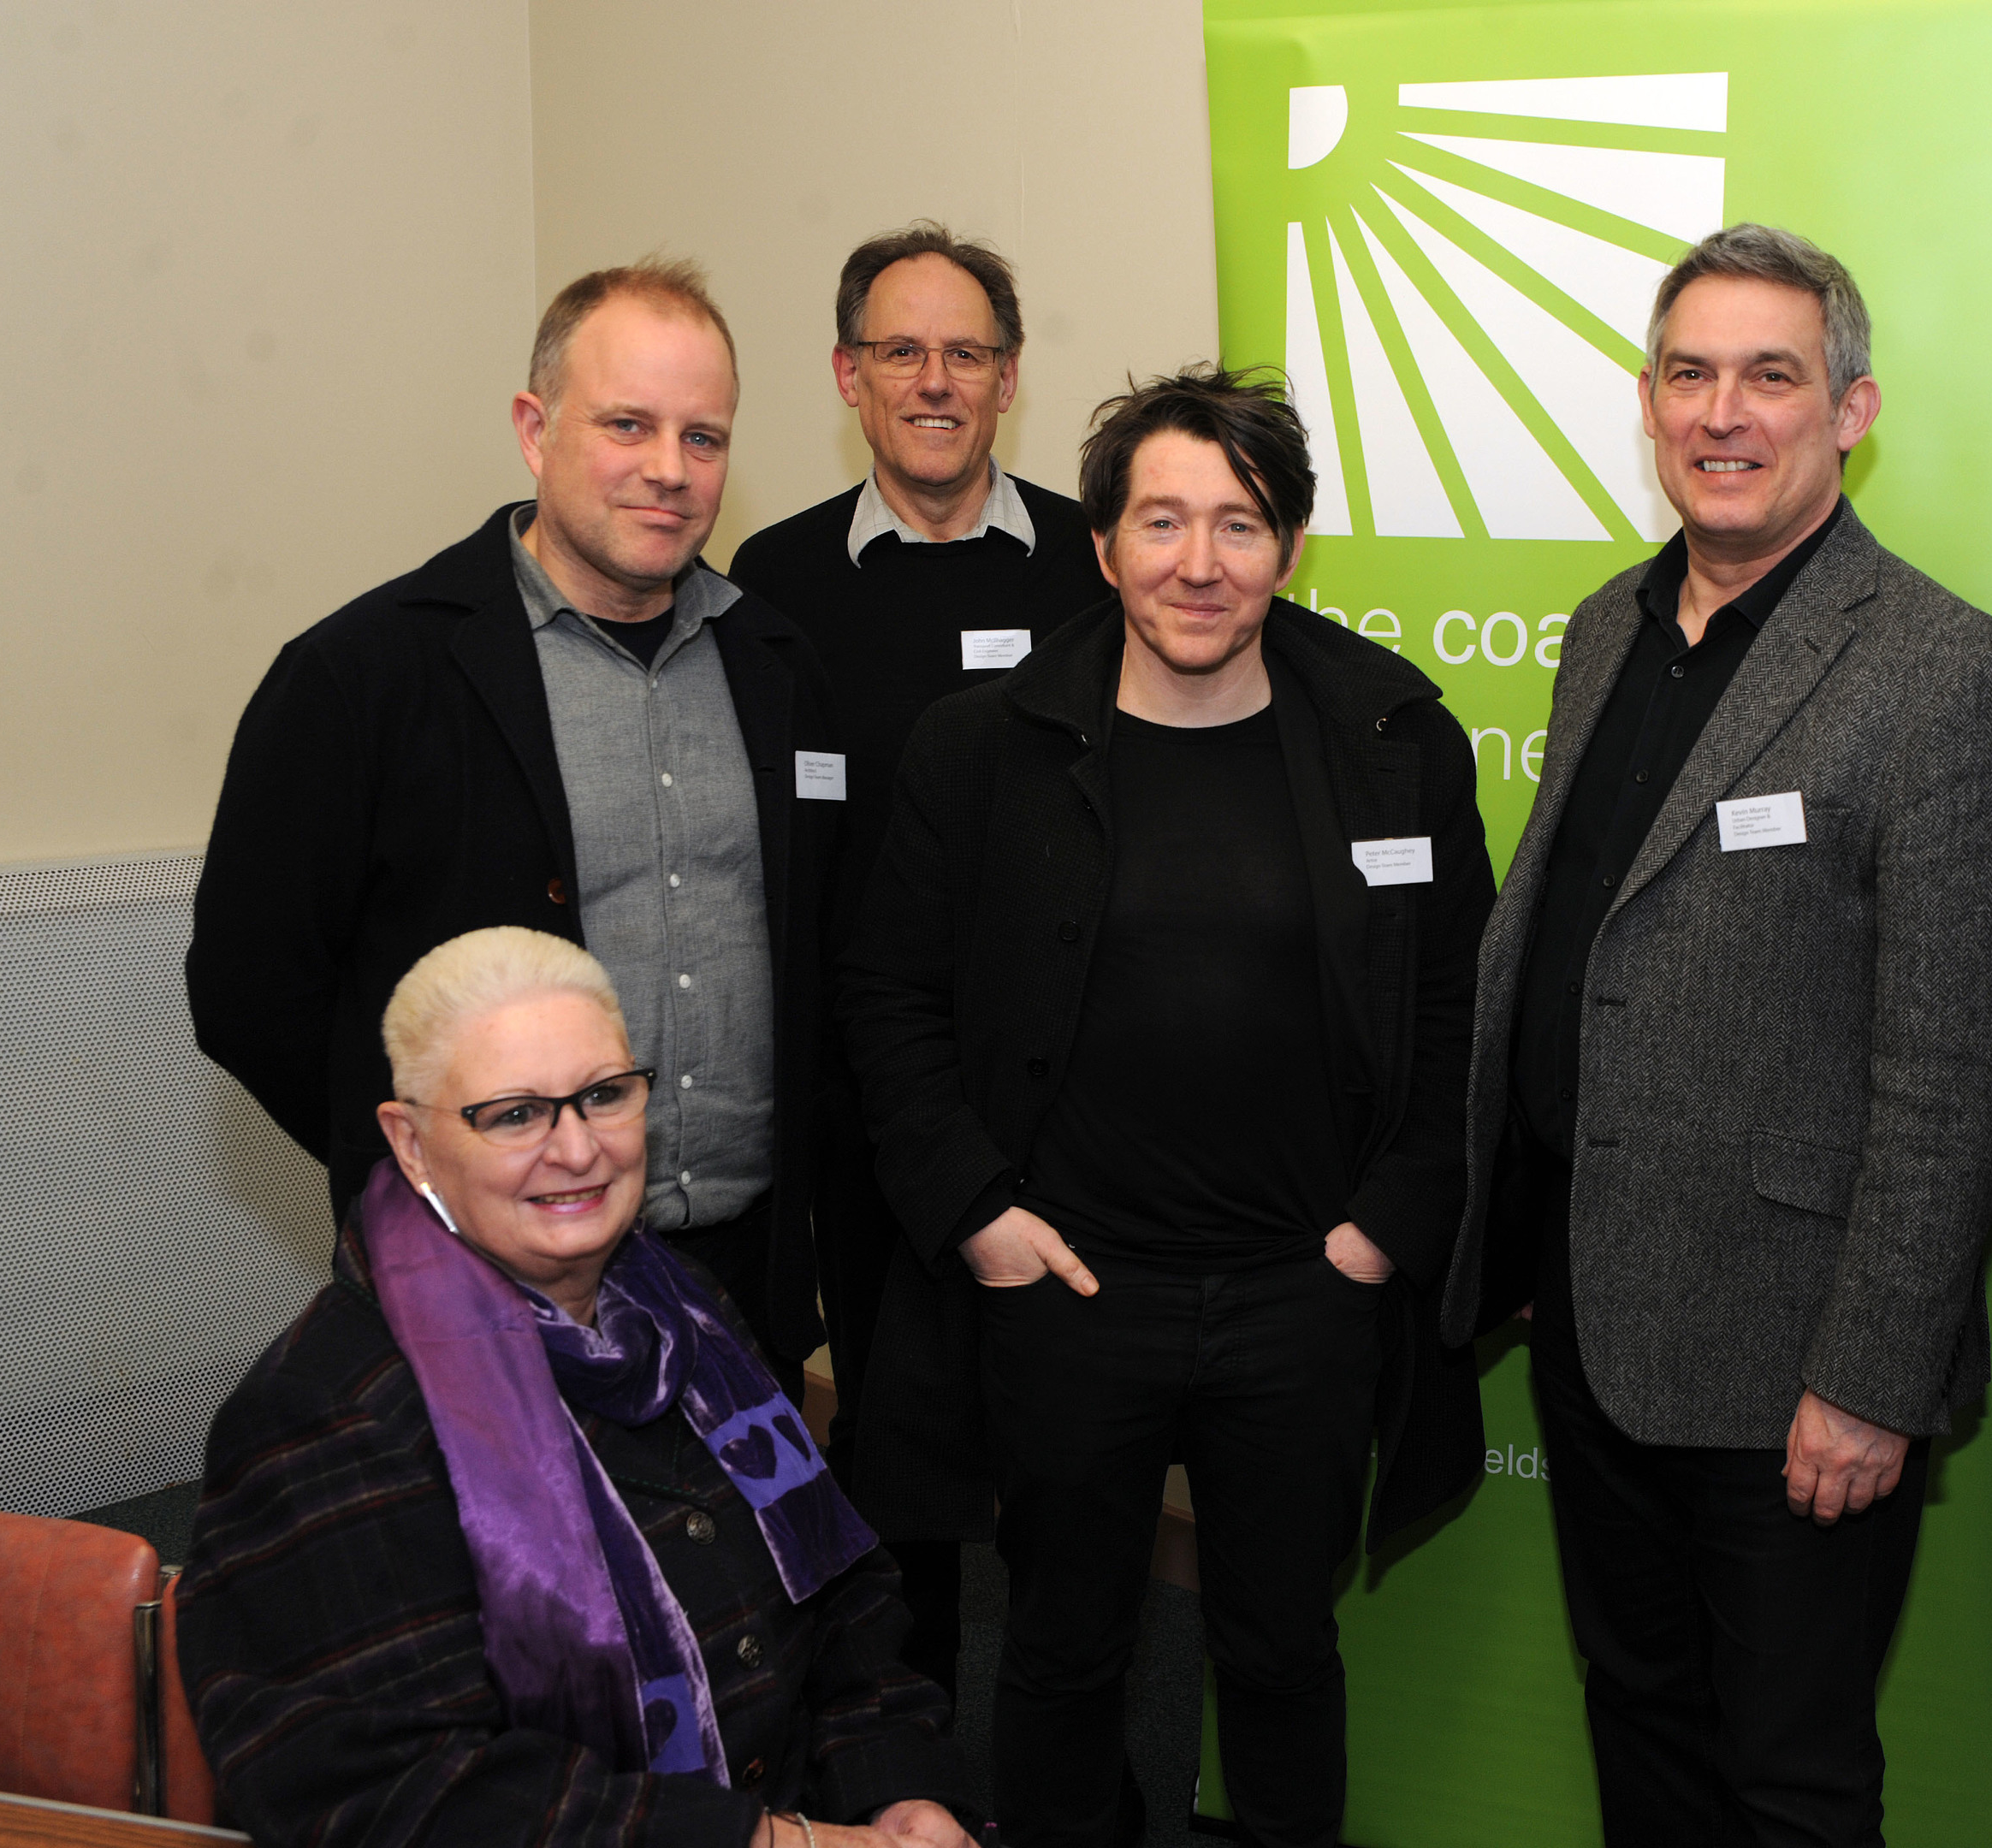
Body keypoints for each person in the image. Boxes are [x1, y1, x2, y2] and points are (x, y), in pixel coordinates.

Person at [1438, 223, 1992, 1846]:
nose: (1724, 412)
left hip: (1799, 1364)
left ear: (1849, 412)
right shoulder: (1604, 630)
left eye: (1769, 375)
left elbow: (1958, 1073)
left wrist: (1870, 1377)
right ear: (1647, 404)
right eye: (1689, 373)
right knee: (1639, 1727)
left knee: (1787, 1779)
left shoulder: (1951, 678)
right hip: (1593, 1317)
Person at [839, 365, 1494, 1848]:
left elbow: (1461, 1013)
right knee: (1064, 1654)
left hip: (1302, 1299)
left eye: (1241, 526)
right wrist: (981, 1219)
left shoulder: (1395, 742)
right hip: (1071, 1295)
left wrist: (1379, 1236)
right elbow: (888, 999)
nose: (1200, 564)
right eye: (1162, 523)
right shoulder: (982, 748)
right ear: (1101, 543)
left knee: (1280, 1653)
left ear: (1293, 544)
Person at [188, 259, 848, 1374]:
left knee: (741, 1553)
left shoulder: (780, 669)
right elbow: (252, 990)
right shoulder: (363, 678)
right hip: (480, 1285)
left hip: (742, 1279)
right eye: (627, 424)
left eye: (703, 437)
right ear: (534, 429)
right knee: (515, 1554)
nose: (668, 471)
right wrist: (440, 1168)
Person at [178, 927, 978, 1847]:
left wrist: (898, 1788)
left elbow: (845, 1592)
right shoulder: (330, 1413)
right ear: (410, 1144)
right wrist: (771, 1842)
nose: (577, 1150)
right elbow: (392, 1797)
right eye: (515, 1114)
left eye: (604, 1095)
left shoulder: (690, 1310)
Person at [731, 222, 1112, 1696]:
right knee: (893, 1418)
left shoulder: (1097, 561)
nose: (934, 380)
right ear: (848, 374)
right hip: (863, 1093)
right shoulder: (771, 584)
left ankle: (1064, 1728)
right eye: (901, 350)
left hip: (1065, 1091)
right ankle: (908, 1708)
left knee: (1063, 1427)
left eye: (966, 352)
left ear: (1010, 378)